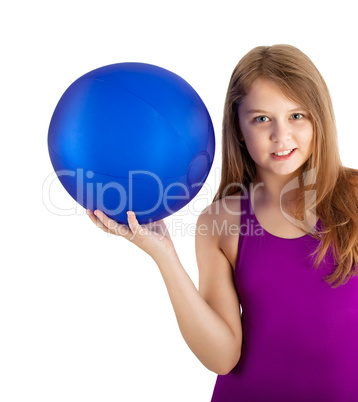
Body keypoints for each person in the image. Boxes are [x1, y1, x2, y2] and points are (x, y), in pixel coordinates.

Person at [86, 44, 358, 401]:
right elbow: (222, 357)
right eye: (262, 119)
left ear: (319, 118)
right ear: (240, 128)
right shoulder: (221, 220)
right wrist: (165, 256)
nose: (281, 136)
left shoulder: (353, 195)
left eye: (297, 116)